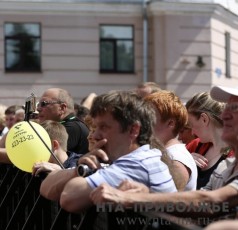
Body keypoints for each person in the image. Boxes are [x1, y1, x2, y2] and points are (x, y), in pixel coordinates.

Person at [89, 85, 238, 225]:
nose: (224, 115)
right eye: (226, 108)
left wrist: (130, 198)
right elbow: (195, 208)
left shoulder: (180, 157)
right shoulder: (226, 168)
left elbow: (211, 203)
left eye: (234, 108)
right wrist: (148, 194)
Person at [40, 90, 177, 213]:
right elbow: (45, 188)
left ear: (133, 130)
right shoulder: (141, 157)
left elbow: (68, 198)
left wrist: (81, 171)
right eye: (96, 127)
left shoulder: (136, 164)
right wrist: (78, 170)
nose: (94, 136)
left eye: (104, 127)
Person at [144, 90, 197, 191]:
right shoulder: (162, 151)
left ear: (170, 123)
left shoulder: (177, 158)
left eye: (150, 116)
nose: (144, 121)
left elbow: (167, 199)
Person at [185, 92, 234, 189]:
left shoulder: (234, 154)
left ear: (204, 119)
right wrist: (185, 161)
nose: (192, 132)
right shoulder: (195, 145)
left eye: (191, 125)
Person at [37, 88, 89, 156]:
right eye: (38, 104)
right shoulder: (71, 124)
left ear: (62, 108)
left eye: (44, 104)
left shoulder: (72, 127)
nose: (38, 109)